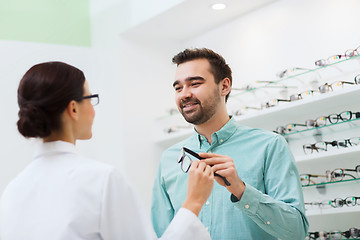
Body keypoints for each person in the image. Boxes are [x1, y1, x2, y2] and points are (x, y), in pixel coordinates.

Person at [0, 61, 214, 240]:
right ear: (73, 108)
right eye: (90, 99)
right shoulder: (101, 180)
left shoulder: (13, 190)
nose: (93, 110)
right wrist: (193, 202)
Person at [151, 48, 309, 240]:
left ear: (224, 86)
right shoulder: (169, 159)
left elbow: (297, 232)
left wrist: (241, 190)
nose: (184, 94)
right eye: (178, 88)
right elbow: (162, 234)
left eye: (195, 84)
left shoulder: (270, 146)